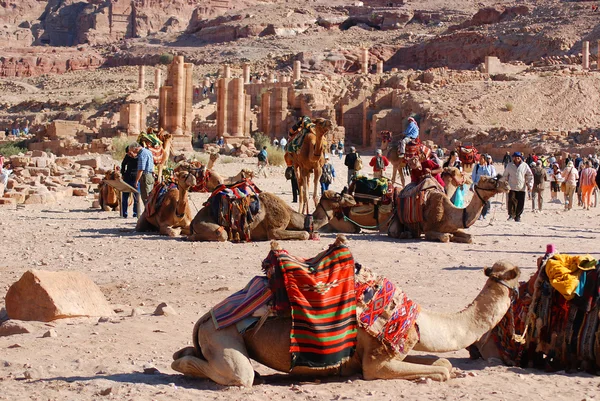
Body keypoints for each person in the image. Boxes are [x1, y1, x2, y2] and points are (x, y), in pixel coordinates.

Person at [503, 152, 533, 222]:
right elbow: (505, 175)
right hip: (511, 186)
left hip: (521, 187)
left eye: (518, 157)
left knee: (520, 202)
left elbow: (529, 175)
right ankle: (511, 215)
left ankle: (518, 216)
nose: (517, 158)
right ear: (513, 157)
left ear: (521, 158)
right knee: (511, 201)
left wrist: (530, 184)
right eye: (515, 157)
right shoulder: (509, 165)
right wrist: (504, 183)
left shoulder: (525, 165)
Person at [471, 154, 497, 219]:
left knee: (486, 200)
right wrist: (474, 183)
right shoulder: (477, 166)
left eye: (482, 158)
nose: (480, 160)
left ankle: (484, 213)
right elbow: (474, 175)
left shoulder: (490, 167)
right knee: (479, 200)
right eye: (480, 158)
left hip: (487, 187)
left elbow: (493, 176)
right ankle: (478, 214)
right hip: (478, 186)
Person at [121, 146, 139, 218]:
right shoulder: (127, 156)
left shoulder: (139, 156)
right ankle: (124, 213)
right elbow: (123, 164)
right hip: (127, 177)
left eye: (129, 152)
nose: (129, 154)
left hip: (136, 178)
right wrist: (123, 173)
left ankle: (135, 213)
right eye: (128, 153)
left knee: (136, 197)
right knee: (125, 197)